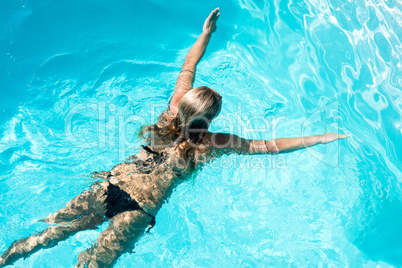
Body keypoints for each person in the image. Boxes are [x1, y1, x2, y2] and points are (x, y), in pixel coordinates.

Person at [0, 7, 350, 268]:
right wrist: (318, 138)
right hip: (138, 211)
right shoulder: (213, 144)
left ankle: (6, 258)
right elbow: (268, 147)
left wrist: (205, 34)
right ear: (210, 119)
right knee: (92, 263)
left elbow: (188, 66)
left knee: (48, 233)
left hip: (112, 185)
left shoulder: (171, 110)